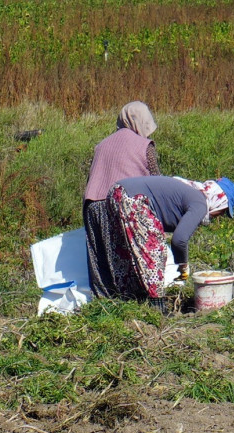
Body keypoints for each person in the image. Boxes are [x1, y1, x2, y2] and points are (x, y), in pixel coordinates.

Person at [104, 175, 234, 310]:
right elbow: (179, 240)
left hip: (117, 192)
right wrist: (183, 270)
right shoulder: (200, 203)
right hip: (134, 198)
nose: (218, 216)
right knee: (155, 251)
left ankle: (126, 301)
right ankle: (157, 307)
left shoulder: (193, 194)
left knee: (125, 252)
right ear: (219, 201)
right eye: (223, 211)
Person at [83, 101, 162, 298]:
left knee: (101, 257)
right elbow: (157, 181)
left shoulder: (101, 145)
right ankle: (133, 302)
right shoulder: (145, 146)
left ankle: (103, 303)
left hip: (93, 204)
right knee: (131, 254)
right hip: (121, 203)